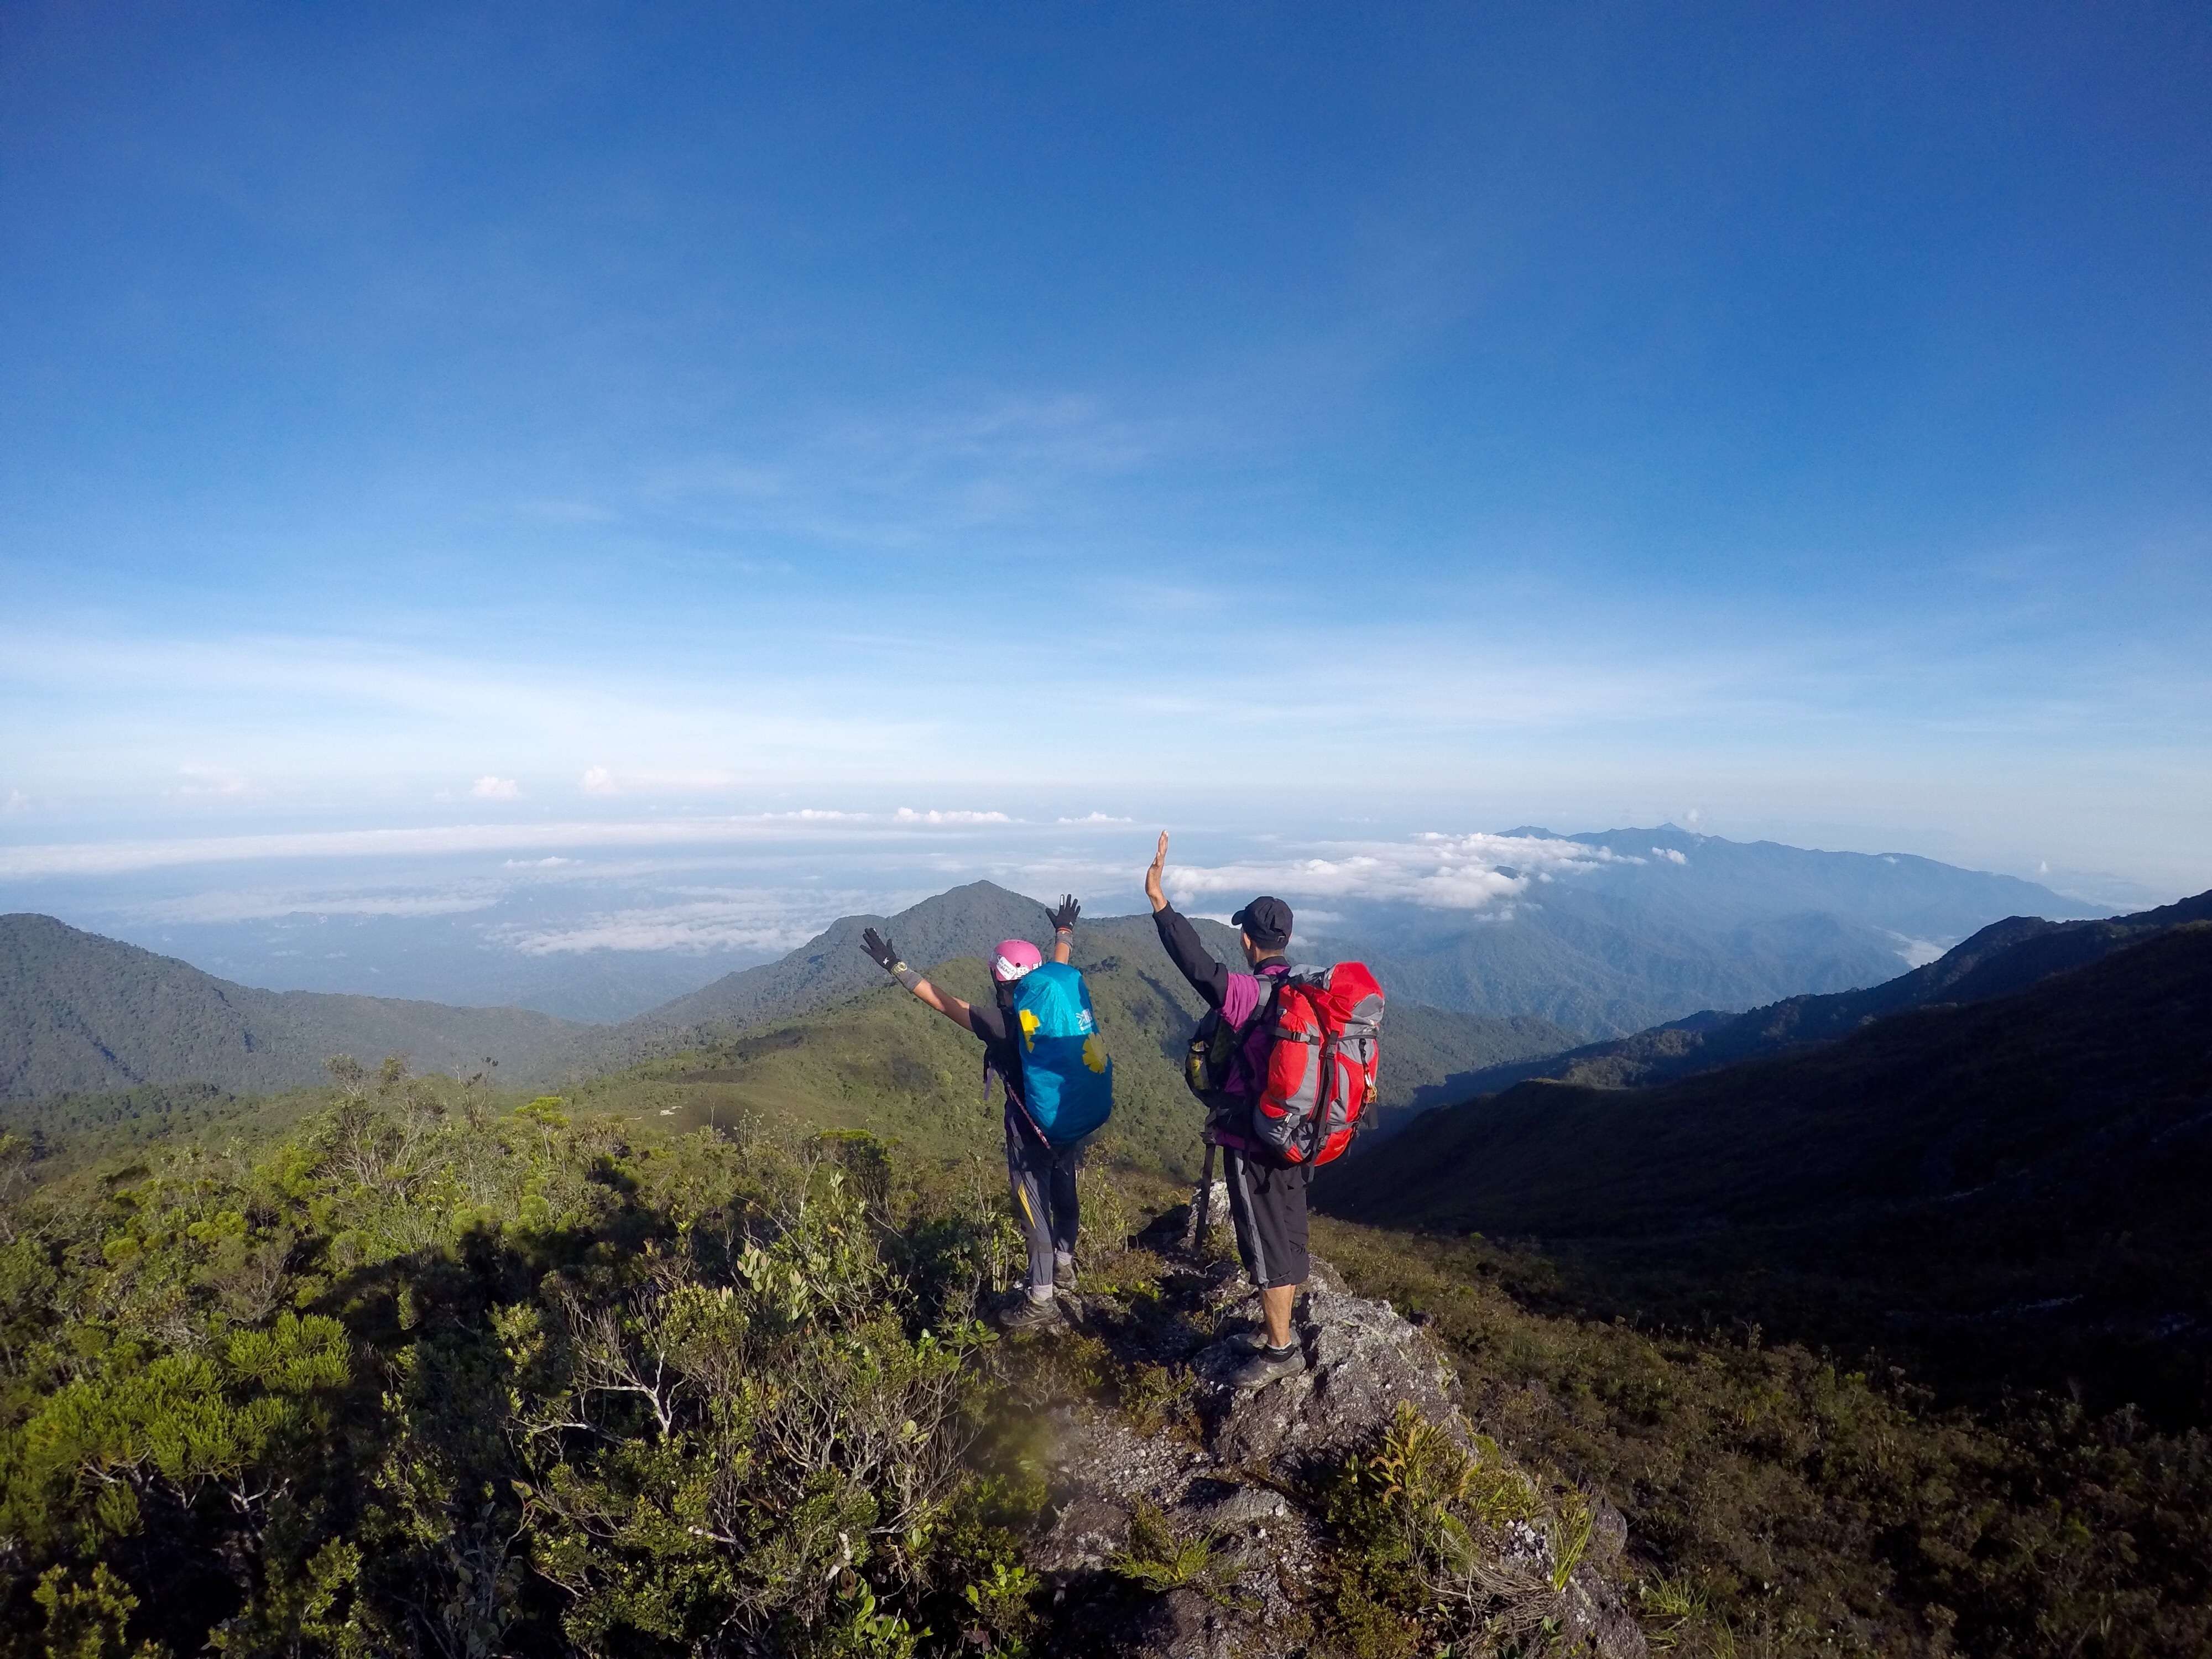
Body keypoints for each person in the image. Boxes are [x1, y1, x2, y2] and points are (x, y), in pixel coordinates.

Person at [859, 895, 1095, 1333]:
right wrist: (1064, 933)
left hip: (1029, 1133)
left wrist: (894, 965)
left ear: (998, 979)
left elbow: (940, 1000)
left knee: (1033, 1208)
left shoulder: (1002, 1024)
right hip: (1067, 1117)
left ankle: (1041, 1297)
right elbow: (1058, 971)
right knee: (1065, 1188)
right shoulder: (1053, 1004)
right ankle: (1064, 1265)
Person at [1143, 831, 1311, 1389]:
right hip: (1297, 1137)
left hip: (1252, 1137)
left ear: (1247, 941)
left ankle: (1281, 1349)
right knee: (1287, 1233)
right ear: (1284, 938)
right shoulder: (1304, 993)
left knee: (1263, 1244)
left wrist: (1161, 904)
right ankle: (1278, 1330)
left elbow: (1197, 968)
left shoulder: (1252, 994)